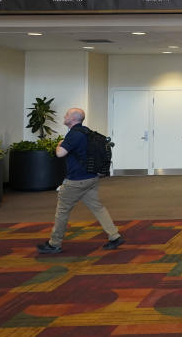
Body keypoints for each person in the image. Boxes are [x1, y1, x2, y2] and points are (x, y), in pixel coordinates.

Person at [37, 107, 124, 254]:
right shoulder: (87, 132)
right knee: (98, 207)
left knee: (62, 211)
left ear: (73, 119)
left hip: (76, 181)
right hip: (91, 178)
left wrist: (60, 143)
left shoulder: (73, 135)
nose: (64, 116)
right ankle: (114, 236)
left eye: (67, 115)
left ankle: (54, 243)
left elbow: (60, 153)